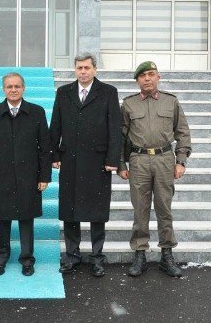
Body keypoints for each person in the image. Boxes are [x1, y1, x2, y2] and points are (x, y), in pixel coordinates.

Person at [50, 52, 122, 278]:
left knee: (97, 212)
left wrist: (113, 160)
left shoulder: (108, 92)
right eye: (79, 68)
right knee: (70, 211)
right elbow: (55, 125)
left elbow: (115, 128)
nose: (83, 72)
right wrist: (54, 154)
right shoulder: (64, 93)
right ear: (75, 69)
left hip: (98, 162)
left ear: (95, 69)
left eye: (87, 68)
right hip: (70, 160)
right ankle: (72, 256)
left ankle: (97, 257)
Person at [119, 61, 192, 278]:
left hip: (164, 159)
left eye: (151, 74)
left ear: (158, 77)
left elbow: (182, 133)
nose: (147, 79)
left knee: (164, 209)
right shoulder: (129, 104)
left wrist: (180, 161)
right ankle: (140, 254)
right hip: (139, 160)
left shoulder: (171, 102)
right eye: (142, 76)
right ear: (137, 81)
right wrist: (122, 164)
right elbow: (121, 136)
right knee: (140, 209)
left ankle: (167, 255)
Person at [0, 72, 52, 277]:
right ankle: (0, 259)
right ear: (3, 89)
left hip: (29, 176)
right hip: (0, 177)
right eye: (9, 86)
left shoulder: (36, 112)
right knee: (1, 220)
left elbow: (44, 148)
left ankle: (27, 260)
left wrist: (44, 176)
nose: (13, 90)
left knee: (26, 219)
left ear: (23, 88)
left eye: (17, 86)